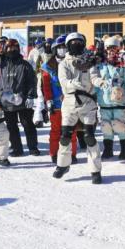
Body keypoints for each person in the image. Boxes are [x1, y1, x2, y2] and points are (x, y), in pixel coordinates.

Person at [53, 32, 103, 184]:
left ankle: (95, 170)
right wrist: (74, 84)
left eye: (79, 42)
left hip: (88, 103)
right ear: (68, 45)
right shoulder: (64, 63)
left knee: (89, 137)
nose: (76, 44)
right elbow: (64, 82)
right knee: (65, 136)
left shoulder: (89, 61)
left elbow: (94, 77)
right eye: (73, 42)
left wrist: (101, 82)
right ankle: (62, 164)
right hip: (69, 102)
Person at [92, 35, 125, 160]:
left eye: (114, 48)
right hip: (104, 101)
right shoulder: (100, 65)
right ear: (105, 49)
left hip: (119, 100)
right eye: (109, 48)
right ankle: (108, 149)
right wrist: (93, 96)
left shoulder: (123, 65)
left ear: (118, 49)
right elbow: (94, 81)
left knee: (119, 125)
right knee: (106, 126)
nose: (111, 51)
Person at [41, 36, 78, 164]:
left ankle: (72, 154)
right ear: (54, 49)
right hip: (56, 104)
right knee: (56, 130)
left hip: (70, 103)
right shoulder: (47, 66)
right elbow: (46, 86)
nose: (62, 50)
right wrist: (48, 101)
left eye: (64, 47)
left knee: (71, 130)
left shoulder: (73, 63)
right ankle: (54, 153)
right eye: (59, 48)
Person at [0, 39, 39, 156]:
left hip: (23, 101)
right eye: (9, 48)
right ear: (5, 49)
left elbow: (32, 81)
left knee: (28, 124)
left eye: (14, 48)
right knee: (11, 127)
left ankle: (33, 147)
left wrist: (31, 96)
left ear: (18, 49)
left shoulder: (25, 65)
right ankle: (17, 148)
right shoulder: (2, 65)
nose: (11, 50)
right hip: (7, 102)